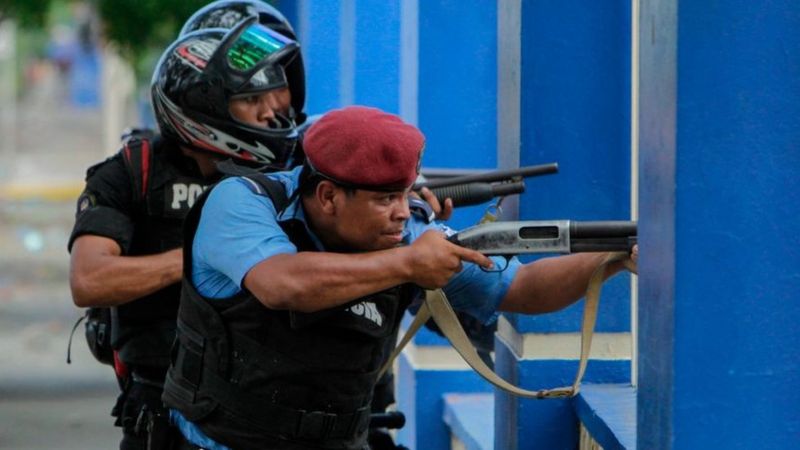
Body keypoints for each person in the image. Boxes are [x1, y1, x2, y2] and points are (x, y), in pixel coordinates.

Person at [162, 106, 638, 450]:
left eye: (407, 194)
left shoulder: (410, 234)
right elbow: (283, 284)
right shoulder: (242, 203)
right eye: (385, 199)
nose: (400, 214)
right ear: (328, 196)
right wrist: (410, 262)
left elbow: (524, 289)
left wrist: (610, 258)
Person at [68, 18, 303, 450]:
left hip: (267, 408)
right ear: (205, 105)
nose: (271, 112)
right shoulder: (131, 172)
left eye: (272, 95)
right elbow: (89, 280)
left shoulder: (293, 166)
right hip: (163, 410)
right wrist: (201, 256)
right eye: (251, 99)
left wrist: (406, 204)